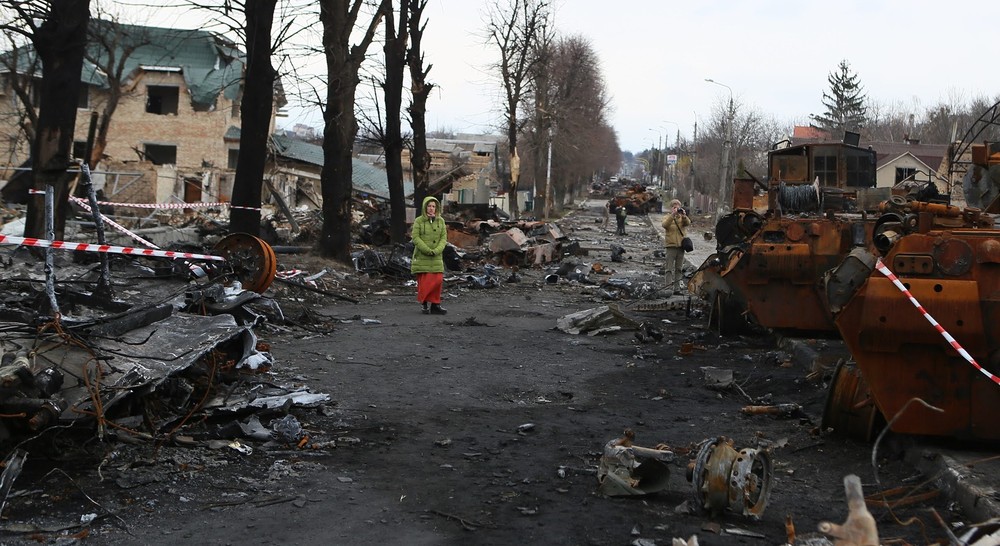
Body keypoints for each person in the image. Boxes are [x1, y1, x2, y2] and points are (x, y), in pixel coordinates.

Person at [411, 196, 448, 315]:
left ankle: (436, 305)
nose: (431, 208)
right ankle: (425, 304)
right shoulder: (419, 221)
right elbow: (415, 237)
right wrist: (427, 250)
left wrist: (437, 250)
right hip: (423, 256)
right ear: (425, 207)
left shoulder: (440, 221)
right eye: (429, 206)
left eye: (433, 206)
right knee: (425, 282)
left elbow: (443, 237)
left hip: (437, 256)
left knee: (437, 280)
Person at [661, 199, 691, 295]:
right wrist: (672, 215)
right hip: (671, 246)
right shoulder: (667, 217)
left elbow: (688, 223)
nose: (676, 208)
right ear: (671, 208)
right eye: (674, 206)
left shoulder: (682, 218)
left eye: (678, 206)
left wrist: (684, 216)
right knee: (669, 268)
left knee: (679, 269)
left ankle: (677, 289)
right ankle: (668, 288)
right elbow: (665, 225)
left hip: (681, 247)